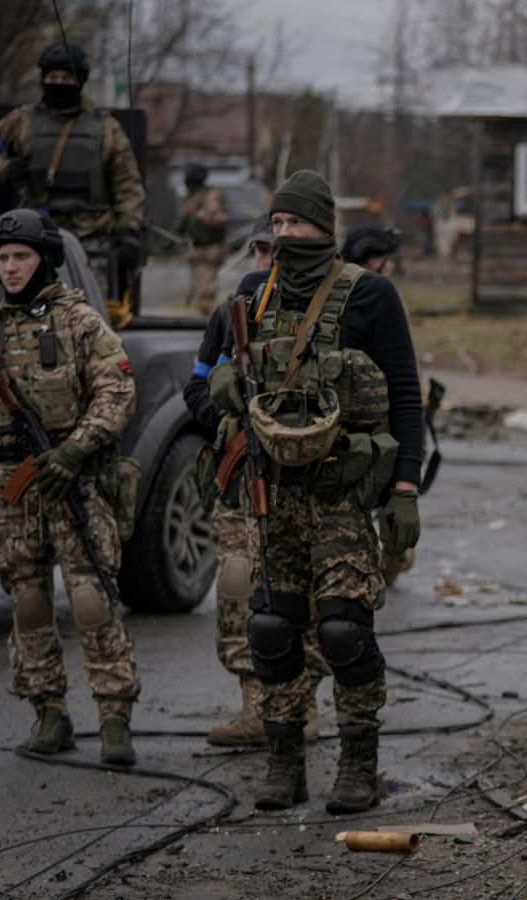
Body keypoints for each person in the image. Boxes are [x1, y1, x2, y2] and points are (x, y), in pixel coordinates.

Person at [208, 171, 423, 813]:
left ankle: (358, 762)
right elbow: (220, 370)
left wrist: (406, 486)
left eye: (294, 224)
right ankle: (284, 762)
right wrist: (223, 383)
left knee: (343, 632)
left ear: (323, 227)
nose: (282, 234)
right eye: (274, 225)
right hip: (272, 495)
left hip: (342, 495)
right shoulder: (251, 295)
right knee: (273, 628)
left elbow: (406, 396)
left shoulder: (371, 296)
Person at [0, 209, 140, 765]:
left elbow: (117, 393)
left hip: (72, 480)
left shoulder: (81, 325)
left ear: (43, 259)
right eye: (2, 258)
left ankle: (114, 715)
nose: (9, 267)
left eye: (21, 256)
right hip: (11, 486)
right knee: (27, 601)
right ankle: (48, 712)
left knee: (90, 600)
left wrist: (77, 447)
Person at [183, 212, 326, 747]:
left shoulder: (314, 313)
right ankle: (253, 705)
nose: (268, 261)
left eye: (276, 251)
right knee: (238, 585)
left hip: (295, 475)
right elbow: (194, 390)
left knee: (298, 592)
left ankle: (304, 706)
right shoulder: (232, 312)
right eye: (261, 251)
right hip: (241, 471)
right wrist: (228, 410)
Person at [0, 42, 146, 301]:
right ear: (43, 79)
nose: (59, 82)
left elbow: (128, 184)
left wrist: (128, 231)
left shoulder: (106, 128)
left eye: (66, 77)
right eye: (53, 77)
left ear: (80, 80)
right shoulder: (20, 121)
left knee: (90, 312)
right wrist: (5, 168)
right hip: (34, 235)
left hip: (91, 237)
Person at [340, 226, 416, 585]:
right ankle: (387, 566)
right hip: (374, 433)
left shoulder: (352, 291)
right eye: (388, 260)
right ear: (375, 260)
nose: (392, 268)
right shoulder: (375, 293)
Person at [181, 163, 230, 316]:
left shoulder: (209, 195)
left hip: (208, 250)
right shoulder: (195, 195)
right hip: (198, 250)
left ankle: (209, 322)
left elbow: (217, 219)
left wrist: (202, 218)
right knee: (201, 290)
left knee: (206, 292)